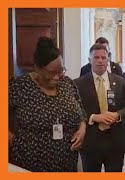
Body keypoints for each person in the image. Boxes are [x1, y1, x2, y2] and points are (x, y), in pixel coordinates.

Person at [9, 37, 87, 172]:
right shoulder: (20, 86)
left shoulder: (67, 83)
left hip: (67, 162)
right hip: (29, 164)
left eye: (61, 71)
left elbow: (81, 113)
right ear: (37, 68)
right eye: (52, 73)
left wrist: (82, 129)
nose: (57, 77)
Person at [74, 43, 125, 172]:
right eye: (96, 57)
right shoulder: (78, 84)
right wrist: (94, 117)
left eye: (103, 57)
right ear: (90, 60)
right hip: (91, 142)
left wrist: (117, 115)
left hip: (115, 142)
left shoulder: (121, 82)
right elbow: (75, 110)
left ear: (108, 60)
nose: (100, 61)